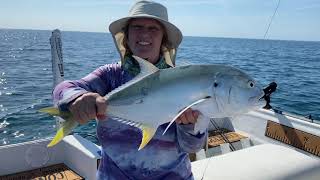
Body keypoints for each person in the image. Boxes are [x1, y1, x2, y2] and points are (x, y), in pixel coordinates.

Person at [53, 1, 207, 179]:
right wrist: (77, 98)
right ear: (126, 35)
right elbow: (63, 89)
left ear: (163, 38)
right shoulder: (110, 75)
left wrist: (189, 126)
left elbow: (193, 147)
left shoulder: (184, 81)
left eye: (153, 28)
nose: (144, 33)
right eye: (137, 27)